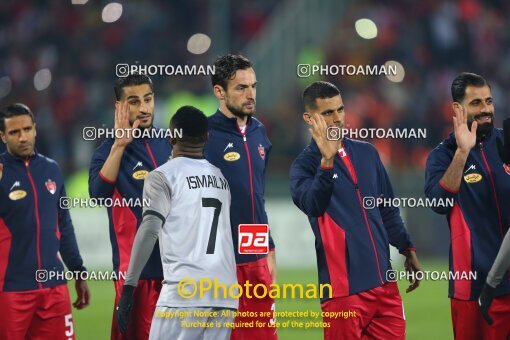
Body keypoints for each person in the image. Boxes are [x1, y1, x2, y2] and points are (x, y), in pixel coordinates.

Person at [290, 81, 422, 339]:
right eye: (327, 113)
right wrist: (326, 162)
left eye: (340, 110)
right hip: (343, 293)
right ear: (309, 118)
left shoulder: (367, 153)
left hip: (385, 286)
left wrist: (407, 248)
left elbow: (387, 209)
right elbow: (313, 205)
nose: (337, 118)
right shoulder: (303, 166)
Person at [116, 106, 238, 340]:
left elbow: (150, 228)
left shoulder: (162, 176)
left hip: (185, 293)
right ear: (206, 137)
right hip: (225, 294)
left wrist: (129, 288)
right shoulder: (220, 178)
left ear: (171, 137)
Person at [424, 72, 510, 339]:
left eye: (489, 101)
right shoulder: (443, 155)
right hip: (471, 289)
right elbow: (438, 202)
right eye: (476, 103)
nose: (486, 109)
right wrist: (462, 153)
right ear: (457, 109)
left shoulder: (506, 141)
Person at [88, 74, 172, 339]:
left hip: (177, 268)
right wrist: (120, 145)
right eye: (134, 102)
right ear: (119, 107)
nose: (144, 108)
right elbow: (98, 194)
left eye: (148, 99)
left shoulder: (171, 143)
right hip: (137, 275)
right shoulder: (106, 151)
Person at [0, 103, 90, 339]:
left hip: (54, 287)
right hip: (11, 290)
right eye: (14, 132)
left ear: (35, 129)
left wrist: (78, 272)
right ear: (2, 136)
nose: (23, 137)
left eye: (27, 129)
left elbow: (64, 226)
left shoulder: (51, 169)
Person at [204, 54, 277, 340]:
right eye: (241, 88)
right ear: (219, 92)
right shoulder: (203, 137)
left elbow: (256, 197)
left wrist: (268, 247)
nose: (250, 95)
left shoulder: (261, 133)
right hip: (217, 263)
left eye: (253, 86)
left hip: (255, 256)